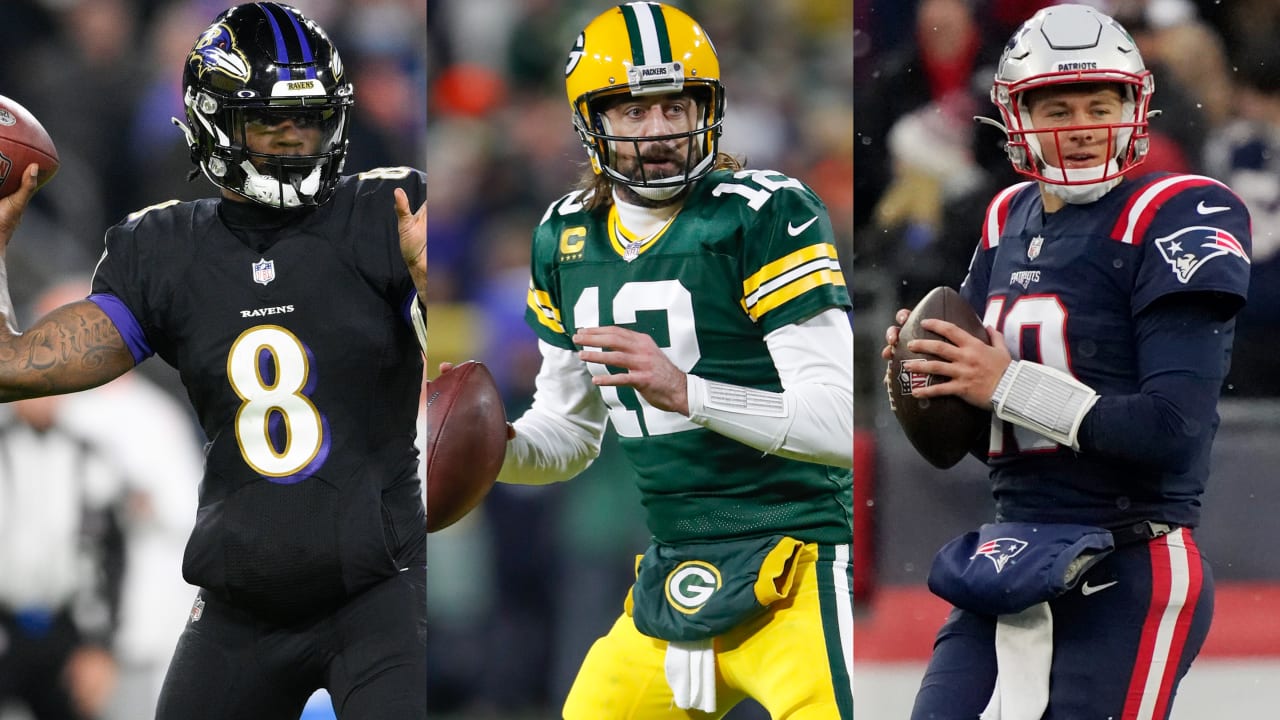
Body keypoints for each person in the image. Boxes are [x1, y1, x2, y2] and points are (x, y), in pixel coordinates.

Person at [0, 3, 427, 719]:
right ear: (212, 124)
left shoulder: (389, 215)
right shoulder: (164, 250)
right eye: (270, 124)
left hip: (378, 588)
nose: (295, 142)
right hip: (241, 604)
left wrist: (428, 281)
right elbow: (12, 368)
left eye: (311, 119)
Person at [478, 3, 854, 718]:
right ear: (592, 121)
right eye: (633, 112)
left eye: (675, 107)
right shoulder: (564, 235)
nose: (658, 133)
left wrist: (691, 392)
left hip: (799, 560)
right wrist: (493, 450)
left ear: (708, 106)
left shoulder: (764, 212)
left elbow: (838, 428)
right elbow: (569, 434)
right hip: (673, 569)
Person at [880, 5, 1250, 718]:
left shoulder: (1176, 211)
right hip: (1011, 548)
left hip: (1129, 556)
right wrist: (932, 369)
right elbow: (982, 441)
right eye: (1056, 106)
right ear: (1016, 115)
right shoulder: (1005, 217)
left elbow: (1173, 430)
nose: (1081, 124)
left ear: (1134, 107)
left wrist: (1005, 382)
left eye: (1099, 103)